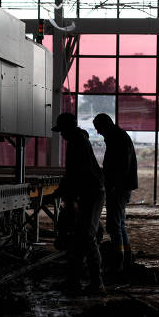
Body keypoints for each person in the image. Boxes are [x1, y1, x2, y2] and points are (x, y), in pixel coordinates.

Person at [52, 112, 106, 294]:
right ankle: (73, 281)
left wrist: (65, 193)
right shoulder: (77, 141)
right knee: (80, 238)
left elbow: (75, 174)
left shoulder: (77, 143)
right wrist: (65, 192)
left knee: (87, 237)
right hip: (88, 193)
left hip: (91, 194)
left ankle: (97, 283)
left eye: (62, 131)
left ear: (68, 129)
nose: (61, 135)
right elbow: (73, 174)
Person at [92, 113, 138, 273]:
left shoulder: (117, 139)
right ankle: (126, 259)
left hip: (119, 188)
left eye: (98, 128)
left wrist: (113, 186)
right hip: (121, 187)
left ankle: (118, 264)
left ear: (106, 125)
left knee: (113, 226)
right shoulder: (119, 137)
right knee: (119, 224)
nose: (98, 132)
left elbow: (121, 167)